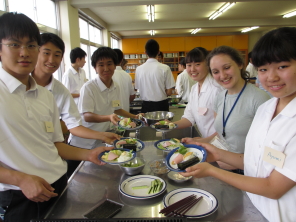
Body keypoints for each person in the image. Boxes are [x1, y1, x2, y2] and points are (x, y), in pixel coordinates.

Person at [0, 12, 112, 222]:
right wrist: (20, 179)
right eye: (14, 44)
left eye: (31, 45)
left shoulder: (45, 94)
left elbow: (55, 144)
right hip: (22, 192)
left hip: (59, 182)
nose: (24, 53)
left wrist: (88, 155)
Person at [181, 27, 296, 222]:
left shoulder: (259, 101)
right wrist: (217, 153)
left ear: (240, 66)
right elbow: (255, 162)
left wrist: (212, 170)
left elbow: (274, 188)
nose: (271, 77)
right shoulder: (266, 109)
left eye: (282, 66)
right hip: (253, 205)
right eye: (263, 69)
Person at [31, 33, 121, 177]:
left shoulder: (60, 91)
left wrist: (102, 136)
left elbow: (72, 126)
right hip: (20, 176)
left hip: (52, 164)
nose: (51, 60)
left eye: (57, 55)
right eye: (46, 53)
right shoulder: (14, 88)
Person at [183, 46, 270, 171]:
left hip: (247, 171)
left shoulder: (259, 99)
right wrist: (201, 142)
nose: (222, 75)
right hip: (223, 165)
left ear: (240, 64)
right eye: (216, 72)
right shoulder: (220, 97)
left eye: (227, 68)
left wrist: (233, 161)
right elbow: (221, 134)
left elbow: (266, 151)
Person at [69, 47, 141, 150]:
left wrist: (134, 116)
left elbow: (116, 109)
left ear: (115, 65)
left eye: (109, 64)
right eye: (101, 65)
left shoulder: (115, 86)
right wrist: (108, 117)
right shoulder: (88, 87)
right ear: (95, 68)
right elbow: (87, 116)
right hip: (82, 143)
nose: (106, 69)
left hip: (101, 140)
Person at [174, 47, 223, 137]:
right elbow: (189, 117)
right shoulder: (194, 89)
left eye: (197, 64)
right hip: (207, 142)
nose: (192, 69)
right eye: (189, 65)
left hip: (220, 145)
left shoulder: (217, 89)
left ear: (208, 65)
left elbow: (225, 127)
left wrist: (205, 142)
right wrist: (170, 125)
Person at [135, 39, 175, 113]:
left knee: (147, 124)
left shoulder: (138, 69)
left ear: (145, 53)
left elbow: (138, 88)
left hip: (146, 105)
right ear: (158, 52)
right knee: (163, 124)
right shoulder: (165, 68)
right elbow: (169, 92)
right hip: (162, 105)